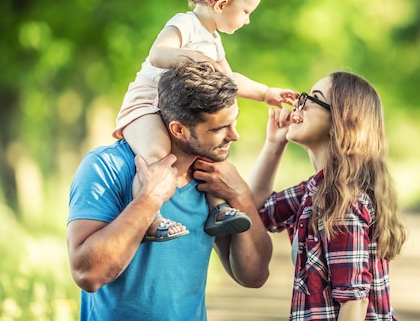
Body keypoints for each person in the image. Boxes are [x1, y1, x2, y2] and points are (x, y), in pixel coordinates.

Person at [67, 60, 273, 320]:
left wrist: (241, 196)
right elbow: (88, 274)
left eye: (234, 122)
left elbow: (254, 276)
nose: (234, 135)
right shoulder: (106, 167)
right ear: (178, 129)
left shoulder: (213, 183)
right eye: (219, 128)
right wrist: (149, 200)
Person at [193, 71, 407, 320]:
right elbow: (257, 212)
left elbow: (354, 305)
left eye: (311, 99)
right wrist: (274, 145)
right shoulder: (315, 191)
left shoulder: (342, 203)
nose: (297, 105)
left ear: (341, 121)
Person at [112, 0, 297, 240]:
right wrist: (190, 56)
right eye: (246, 12)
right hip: (148, 102)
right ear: (222, 3)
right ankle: (150, 217)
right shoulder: (185, 24)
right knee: (156, 154)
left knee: (209, 159)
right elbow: (158, 54)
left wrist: (265, 93)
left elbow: (230, 80)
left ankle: (219, 209)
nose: (247, 21)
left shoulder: (214, 41)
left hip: (181, 112)